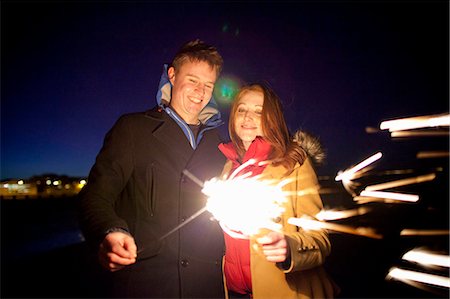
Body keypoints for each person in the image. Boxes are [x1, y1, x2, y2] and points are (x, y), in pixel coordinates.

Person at [79, 40, 227, 298]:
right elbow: (96, 196)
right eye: (193, 80)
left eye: (208, 85)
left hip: (206, 285)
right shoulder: (133, 129)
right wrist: (111, 230)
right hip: (148, 284)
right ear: (172, 74)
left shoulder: (219, 144)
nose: (200, 91)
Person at [217, 83, 337, 298]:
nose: (247, 117)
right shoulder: (228, 168)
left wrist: (290, 249)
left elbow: (320, 239)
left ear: (272, 119)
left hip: (283, 291)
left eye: (258, 111)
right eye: (241, 109)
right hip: (236, 292)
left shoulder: (294, 166)